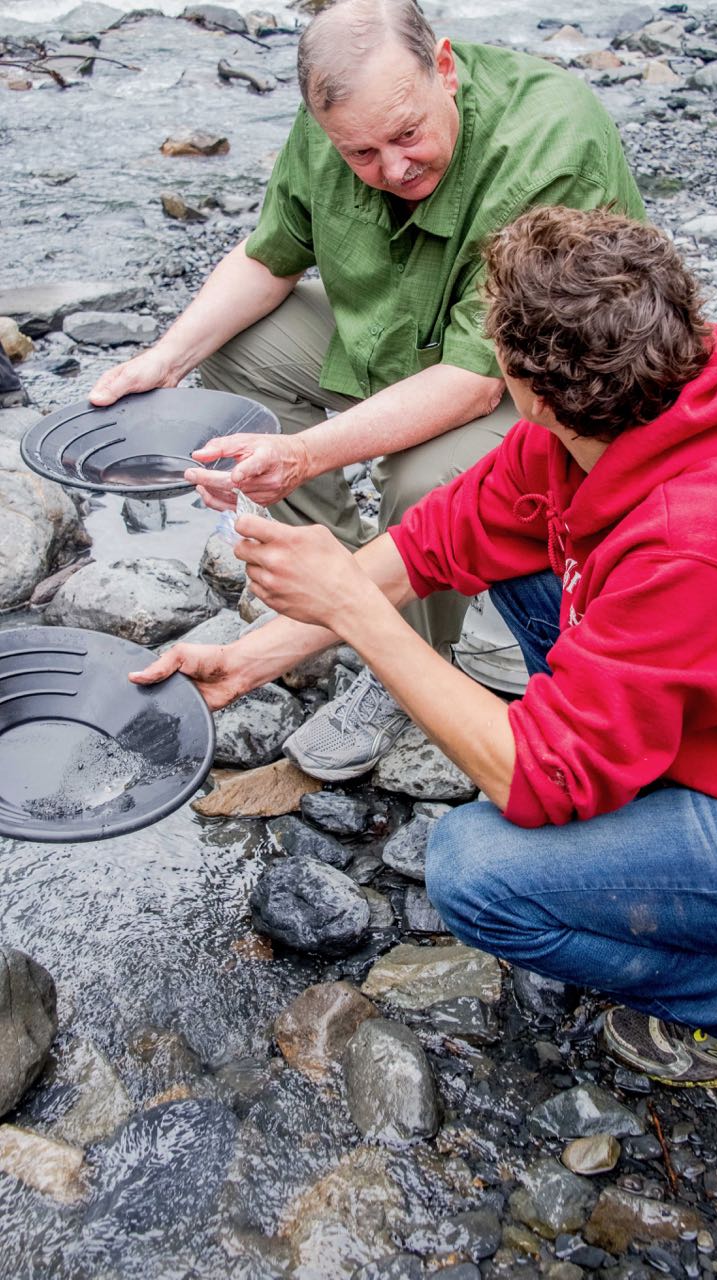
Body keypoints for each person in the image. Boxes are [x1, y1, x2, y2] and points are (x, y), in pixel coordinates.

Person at [131, 206, 717, 1086]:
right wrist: (254, 658)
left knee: (476, 871)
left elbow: (531, 782)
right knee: (516, 556)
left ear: (532, 389)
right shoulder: (622, 412)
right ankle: (630, 796)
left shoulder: (705, 543)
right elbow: (438, 539)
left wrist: (356, 611)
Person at [90, 0, 644, 782]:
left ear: (443, 67)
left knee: (426, 479)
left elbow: (475, 381)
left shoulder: (549, 140)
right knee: (239, 352)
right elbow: (269, 259)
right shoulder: (336, 123)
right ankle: (347, 594)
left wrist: (301, 453)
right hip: (392, 338)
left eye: (408, 135)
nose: (391, 169)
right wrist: (165, 358)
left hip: (535, 391)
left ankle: (406, 658)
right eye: (360, 153)